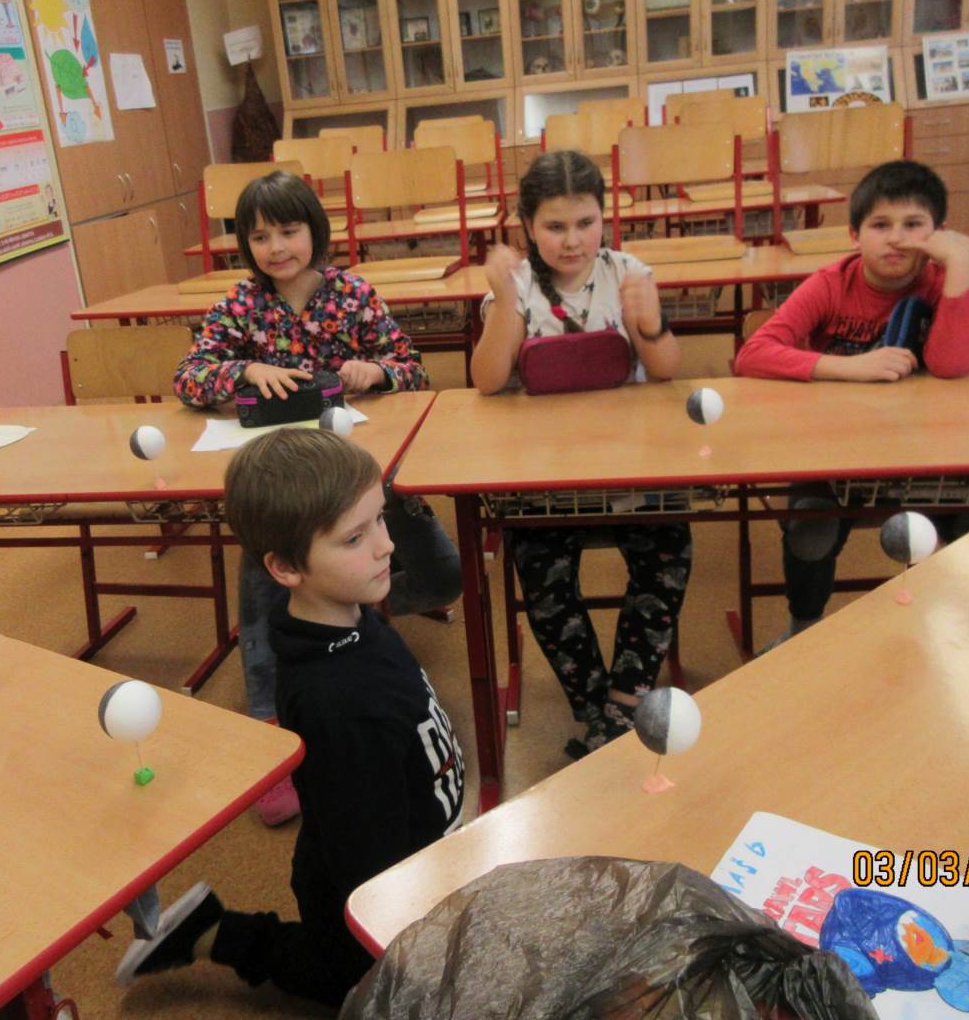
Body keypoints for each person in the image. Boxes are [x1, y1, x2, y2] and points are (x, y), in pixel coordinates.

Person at [114, 429, 464, 1008]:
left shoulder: (351, 614)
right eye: (355, 537)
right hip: (370, 894)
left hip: (416, 860)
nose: (386, 547)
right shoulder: (338, 699)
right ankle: (210, 931)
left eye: (380, 519)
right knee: (339, 978)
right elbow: (365, 865)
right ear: (284, 567)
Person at [174, 170, 460, 825]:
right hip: (285, 488)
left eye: (289, 231)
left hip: (367, 478)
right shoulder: (241, 304)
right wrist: (245, 369)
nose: (276, 247)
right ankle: (270, 728)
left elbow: (413, 368)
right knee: (262, 584)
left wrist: (376, 371)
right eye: (260, 237)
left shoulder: (353, 295)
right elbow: (189, 376)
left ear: (315, 231)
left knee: (444, 574)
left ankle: (353, 604)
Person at [469, 149, 693, 759]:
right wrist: (505, 304)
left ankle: (625, 700)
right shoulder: (517, 285)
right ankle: (594, 707)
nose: (572, 240)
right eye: (554, 226)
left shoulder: (628, 272)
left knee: (669, 548)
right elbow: (488, 381)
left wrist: (650, 325)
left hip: (629, 467)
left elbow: (666, 371)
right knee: (539, 565)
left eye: (585, 223)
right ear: (526, 226)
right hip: (545, 478)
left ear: (604, 218)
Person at [733, 159, 969, 651]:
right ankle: (803, 628)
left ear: (937, 233)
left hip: (919, 451)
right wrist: (850, 366)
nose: (896, 239)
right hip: (833, 452)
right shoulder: (832, 284)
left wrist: (960, 265)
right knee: (811, 529)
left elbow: (952, 365)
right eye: (880, 225)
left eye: (913, 225)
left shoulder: (939, 282)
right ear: (854, 234)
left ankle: (958, 627)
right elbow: (753, 354)